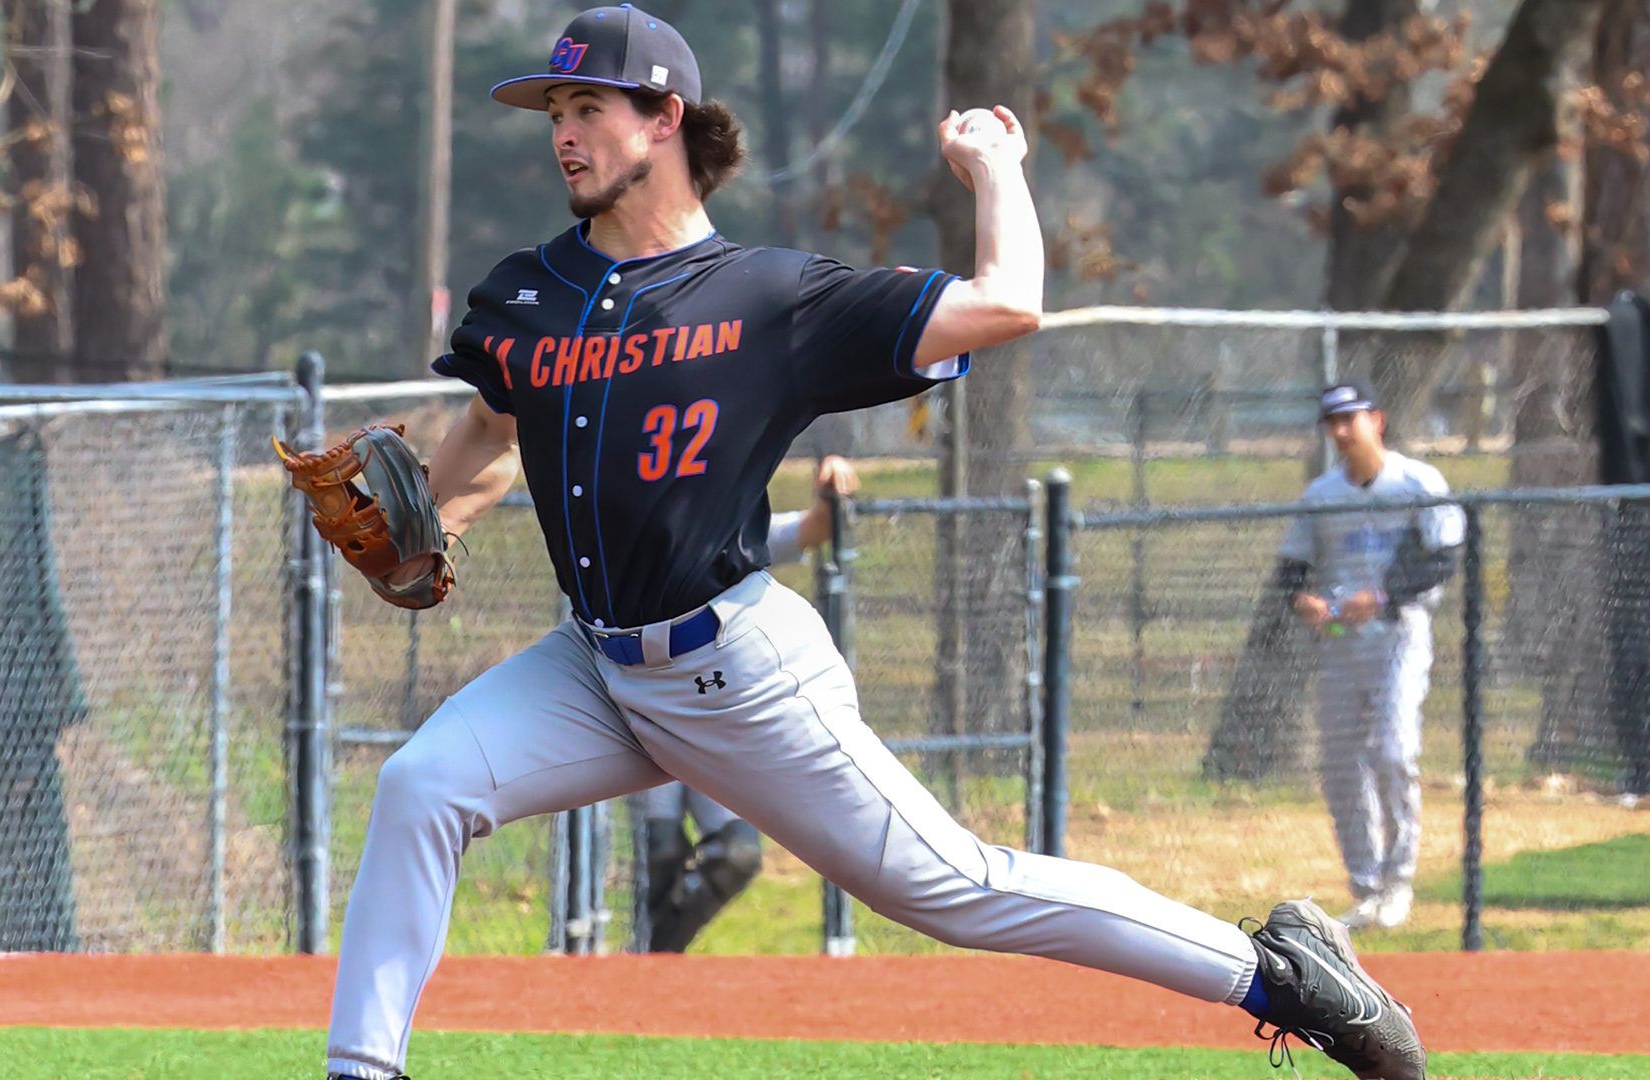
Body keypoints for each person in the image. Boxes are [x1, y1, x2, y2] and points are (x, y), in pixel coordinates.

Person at [324, 8, 1425, 1080]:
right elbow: (489, 436)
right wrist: (425, 526)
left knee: (954, 886)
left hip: (736, 673)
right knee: (423, 784)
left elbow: (1008, 305)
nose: (561, 130)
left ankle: (1283, 980)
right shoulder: (533, 292)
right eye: (552, 109)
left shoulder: (769, 297)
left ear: (663, 119)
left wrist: (995, 167)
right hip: (595, 667)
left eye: (585, 105)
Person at [642, 455, 858, 953]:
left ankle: (655, 961)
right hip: (643, 714)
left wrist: (831, 489)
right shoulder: (636, 536)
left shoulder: (733, 533)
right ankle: (632, 974)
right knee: (658, 853)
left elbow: (815, 528)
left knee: (737, 854)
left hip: (714, 718)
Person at [1279, 382, 1463, 932]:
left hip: (1397, 634)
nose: (1341, 431)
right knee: (1340, 764)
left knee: (1391, 748)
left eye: (1350, 419)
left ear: (1376, 420)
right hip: (1339, 643)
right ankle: (1365, 887)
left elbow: (1445, 558)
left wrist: (1383, 597)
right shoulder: (1321, 494)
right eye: (1331, 422)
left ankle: (1398, 879)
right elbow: (1290, 567)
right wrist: (1302, 598)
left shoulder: (1417, 482)